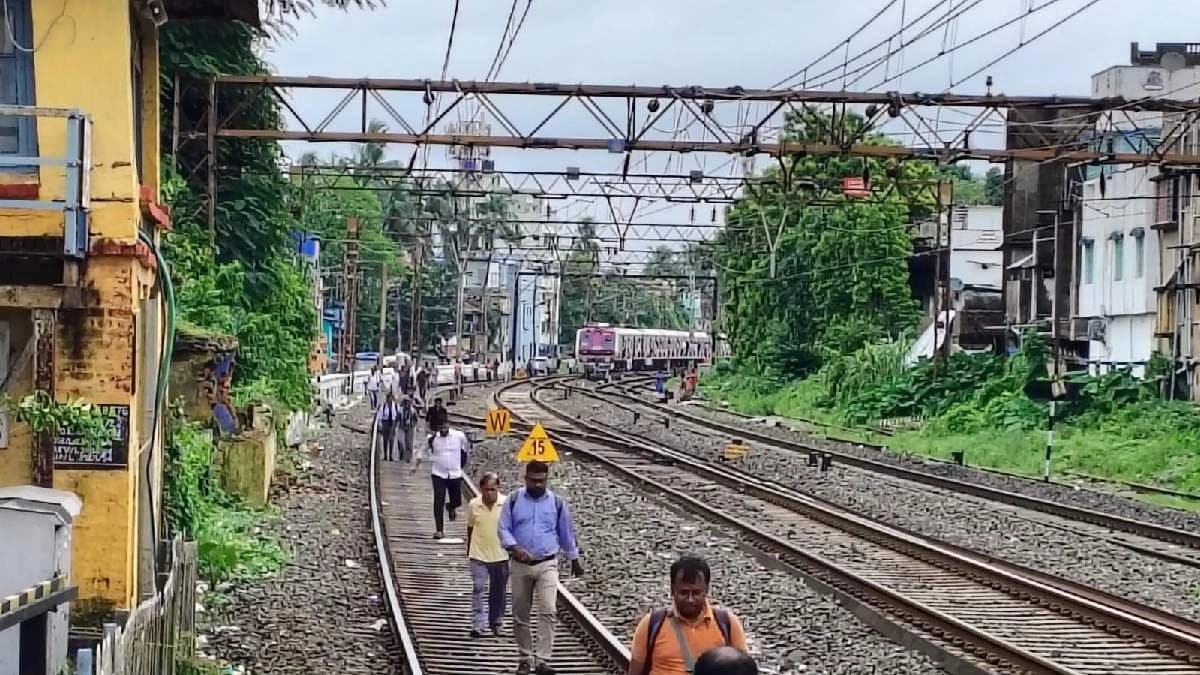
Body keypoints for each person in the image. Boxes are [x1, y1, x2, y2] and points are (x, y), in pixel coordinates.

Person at [499, 461, 583, 675]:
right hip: (520, 565)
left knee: (548, 610)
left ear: (547, 479)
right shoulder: (514, 500)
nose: (537, 485)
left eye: (542, 481)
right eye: (533, 481)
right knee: (520, 613)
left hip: (547, 563)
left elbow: (565, 532)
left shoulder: (556, 503)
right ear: (525, 478)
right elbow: (503, 529)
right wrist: (515, 547)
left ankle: (543, 660)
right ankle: (525, 658)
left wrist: (574, 558)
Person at [626, 556, 748, 675]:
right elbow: (635, 670)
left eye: (696, 593)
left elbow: (743, 668)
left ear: (706, 590)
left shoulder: (727, 623)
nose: (690, 599)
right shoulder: (652, 624)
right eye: (684, 593)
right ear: (672, 590)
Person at [467, 472, 509, 638]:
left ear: (498, 488)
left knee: (498, 591)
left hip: (501, 554)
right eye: (486, 490)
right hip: (479, 554)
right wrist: (469, 546)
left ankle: (496, 622)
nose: (489, 493)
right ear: (481, 489)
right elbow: (470, 526)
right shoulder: (474, 505)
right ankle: (478, 624)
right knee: (478, 588)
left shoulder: (506, 504)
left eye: (493, 489)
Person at [414, 421, 469, 538]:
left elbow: (466, 447)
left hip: (454, 473)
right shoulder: (432, 439)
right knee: (438, 500)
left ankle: (451, 507)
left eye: (445, 427)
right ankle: (439, 530)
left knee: (457, 501)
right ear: (438, 428)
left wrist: (463, 460)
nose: (443, 430)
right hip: (438, 473)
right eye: (441, 428)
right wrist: (416, 466)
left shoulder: (459, 436)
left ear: (449, 425)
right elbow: (422, 450)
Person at [375, 390, 402, 461]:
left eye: (391, 399)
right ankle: (385, 455)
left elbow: (399, 415)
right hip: (385, 423)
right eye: (388, 399)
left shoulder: (396, 406)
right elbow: (379, 416)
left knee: (391, 439)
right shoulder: (383, 406)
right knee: (385, 440)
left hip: (393, 423)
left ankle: (390, 455)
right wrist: (380, 424)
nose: (389, 400)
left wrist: (398, 424)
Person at [396, 394, 419, 462]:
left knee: (409, 443)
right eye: (405, 402)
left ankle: (408, 458)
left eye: (408, 402)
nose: (407, 404)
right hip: (401, 427)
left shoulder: (413, 410)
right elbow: (397, 418)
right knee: (401, 442)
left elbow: (416, 419)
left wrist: (413, 425)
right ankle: (401, 456)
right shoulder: (400, 410)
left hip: (410, 428)